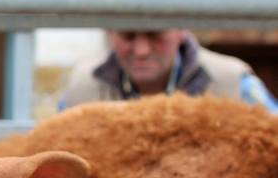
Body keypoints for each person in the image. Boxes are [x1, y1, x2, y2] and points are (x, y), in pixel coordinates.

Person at [59, 29, 278, 112]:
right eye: (128, 36)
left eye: (155, 35)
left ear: (182, 29)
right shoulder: (81, 88)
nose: (142, 50)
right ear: (110, 33)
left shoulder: (234, 83)